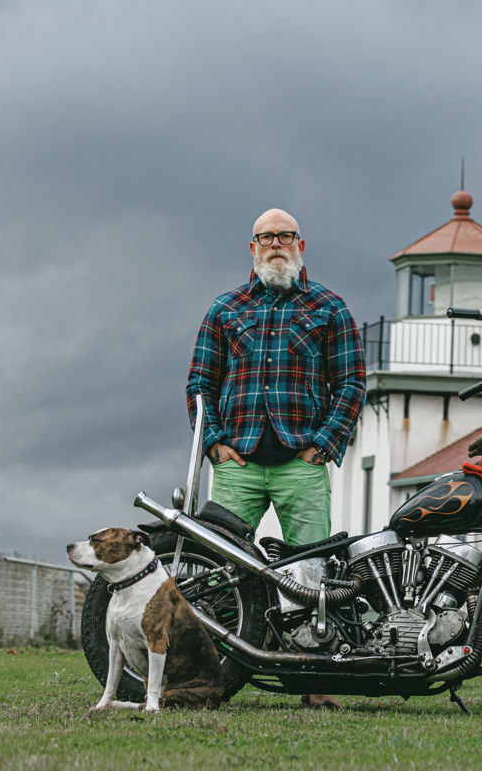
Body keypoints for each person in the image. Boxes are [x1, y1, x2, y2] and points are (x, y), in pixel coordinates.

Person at [186, 208, 366, 709]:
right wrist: (213, 443)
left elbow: (351, 383)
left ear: (300, 245)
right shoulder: (225, 308)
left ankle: (315, 682)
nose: (276, 245)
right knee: (220, 571)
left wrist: (324, 445)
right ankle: (208, 674)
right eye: (266, 238)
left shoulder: (329, 307)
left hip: (300, 465)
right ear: (253, 248)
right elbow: (200, 383)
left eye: (285, 237)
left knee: (311, 575)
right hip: (237, 465)